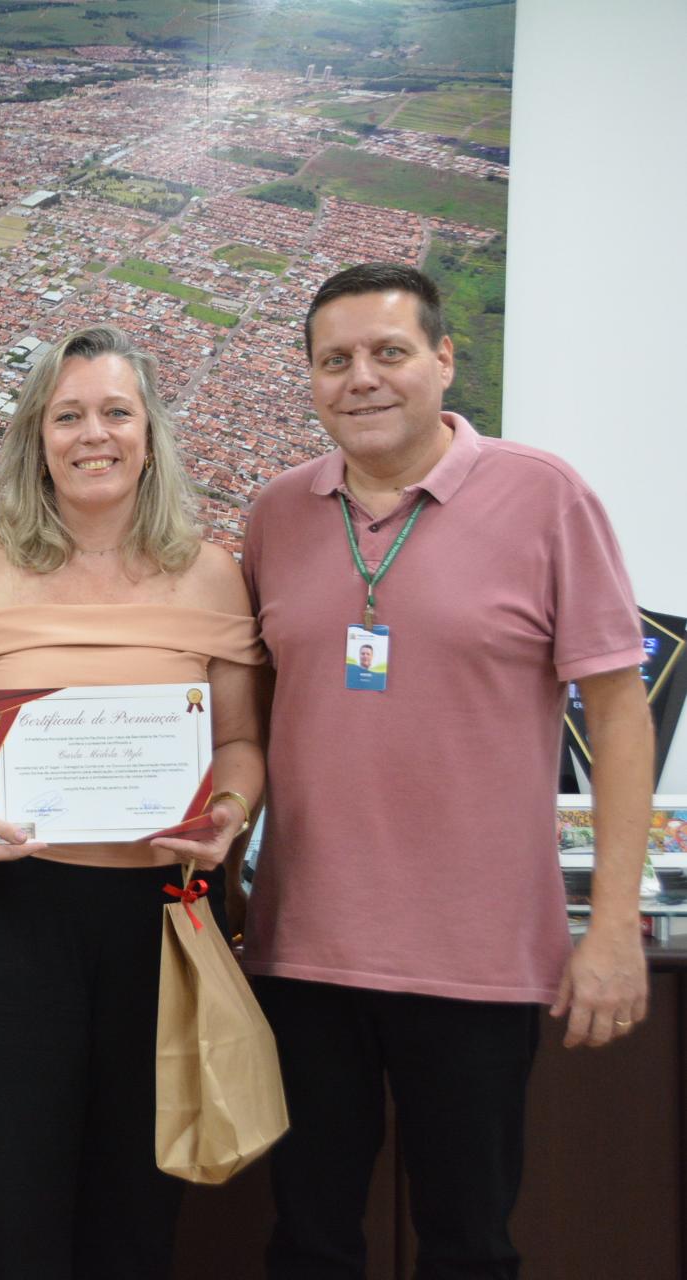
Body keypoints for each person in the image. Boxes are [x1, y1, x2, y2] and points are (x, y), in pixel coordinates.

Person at [241, 262, 654, 1279]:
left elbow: (619, 711)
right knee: (308, 1240)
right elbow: (244, 716)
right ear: (309, 378)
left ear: (443, 358)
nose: (363, 379)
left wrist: (609, 928)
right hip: (302, 950)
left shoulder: (547, 495)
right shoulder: (275, 514)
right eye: (334, 360)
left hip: (478, 954)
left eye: (389, 352)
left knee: (469, 1243)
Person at [0, 325, 265, 1278]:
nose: (92, 434)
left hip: (158, 920)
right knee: (0, 1203)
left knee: (133, 1207)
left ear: (150, 433)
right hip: (9, 915)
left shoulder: (212, 572)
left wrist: (228, 811)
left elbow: (240, 741)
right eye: (68, 415)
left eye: (115, 412)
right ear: (37, 435)